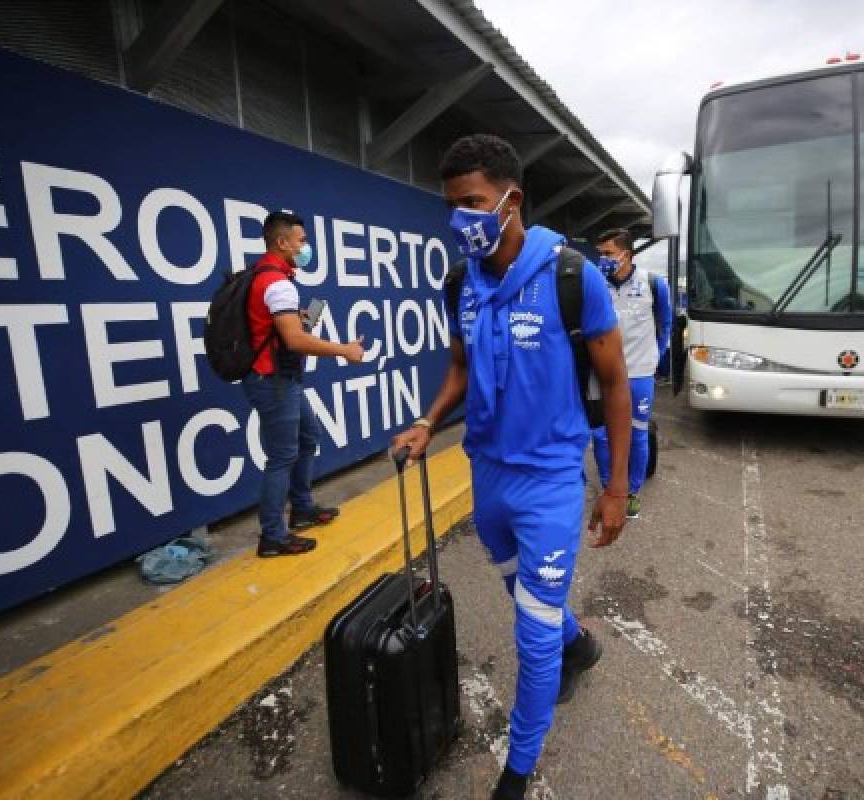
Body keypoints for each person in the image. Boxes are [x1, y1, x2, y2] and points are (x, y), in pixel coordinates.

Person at [390, 134, 632, 800]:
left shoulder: (570, 275)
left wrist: (616, 488)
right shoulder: (460, 282)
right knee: (522, 597)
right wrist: (427, 421)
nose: (459, 217)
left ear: (510, 200)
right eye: (452, 205)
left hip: (552, 482)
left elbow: (614, 382)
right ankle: (578, 644)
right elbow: (462, 368)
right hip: (488, 480)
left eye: (471, 202)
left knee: (530, 635)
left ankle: (518, 771)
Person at [243, 211, 365, 557]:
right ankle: (273, 537)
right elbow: (295, 341)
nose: (305, 247)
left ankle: (301, 509)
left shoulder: (268, 276)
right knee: (282, 455)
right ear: (282, 242)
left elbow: (282, 331)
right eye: (302, 241)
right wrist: (344, 351)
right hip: (274, 381)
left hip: (280, 379)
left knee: (308, 437)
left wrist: (304, 319)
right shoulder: (277, 283)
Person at [591, 229, 673, 519]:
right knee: (600, 436)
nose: (602, 260)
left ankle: (631, 493)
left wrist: (654, 358)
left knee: (637, 435)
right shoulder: (595, 284)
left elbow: (665, 324)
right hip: (601, 373)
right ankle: (608, 488)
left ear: (627, 254)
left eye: (608, 254)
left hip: (638, 374)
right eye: (599, 254)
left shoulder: (653, 284)